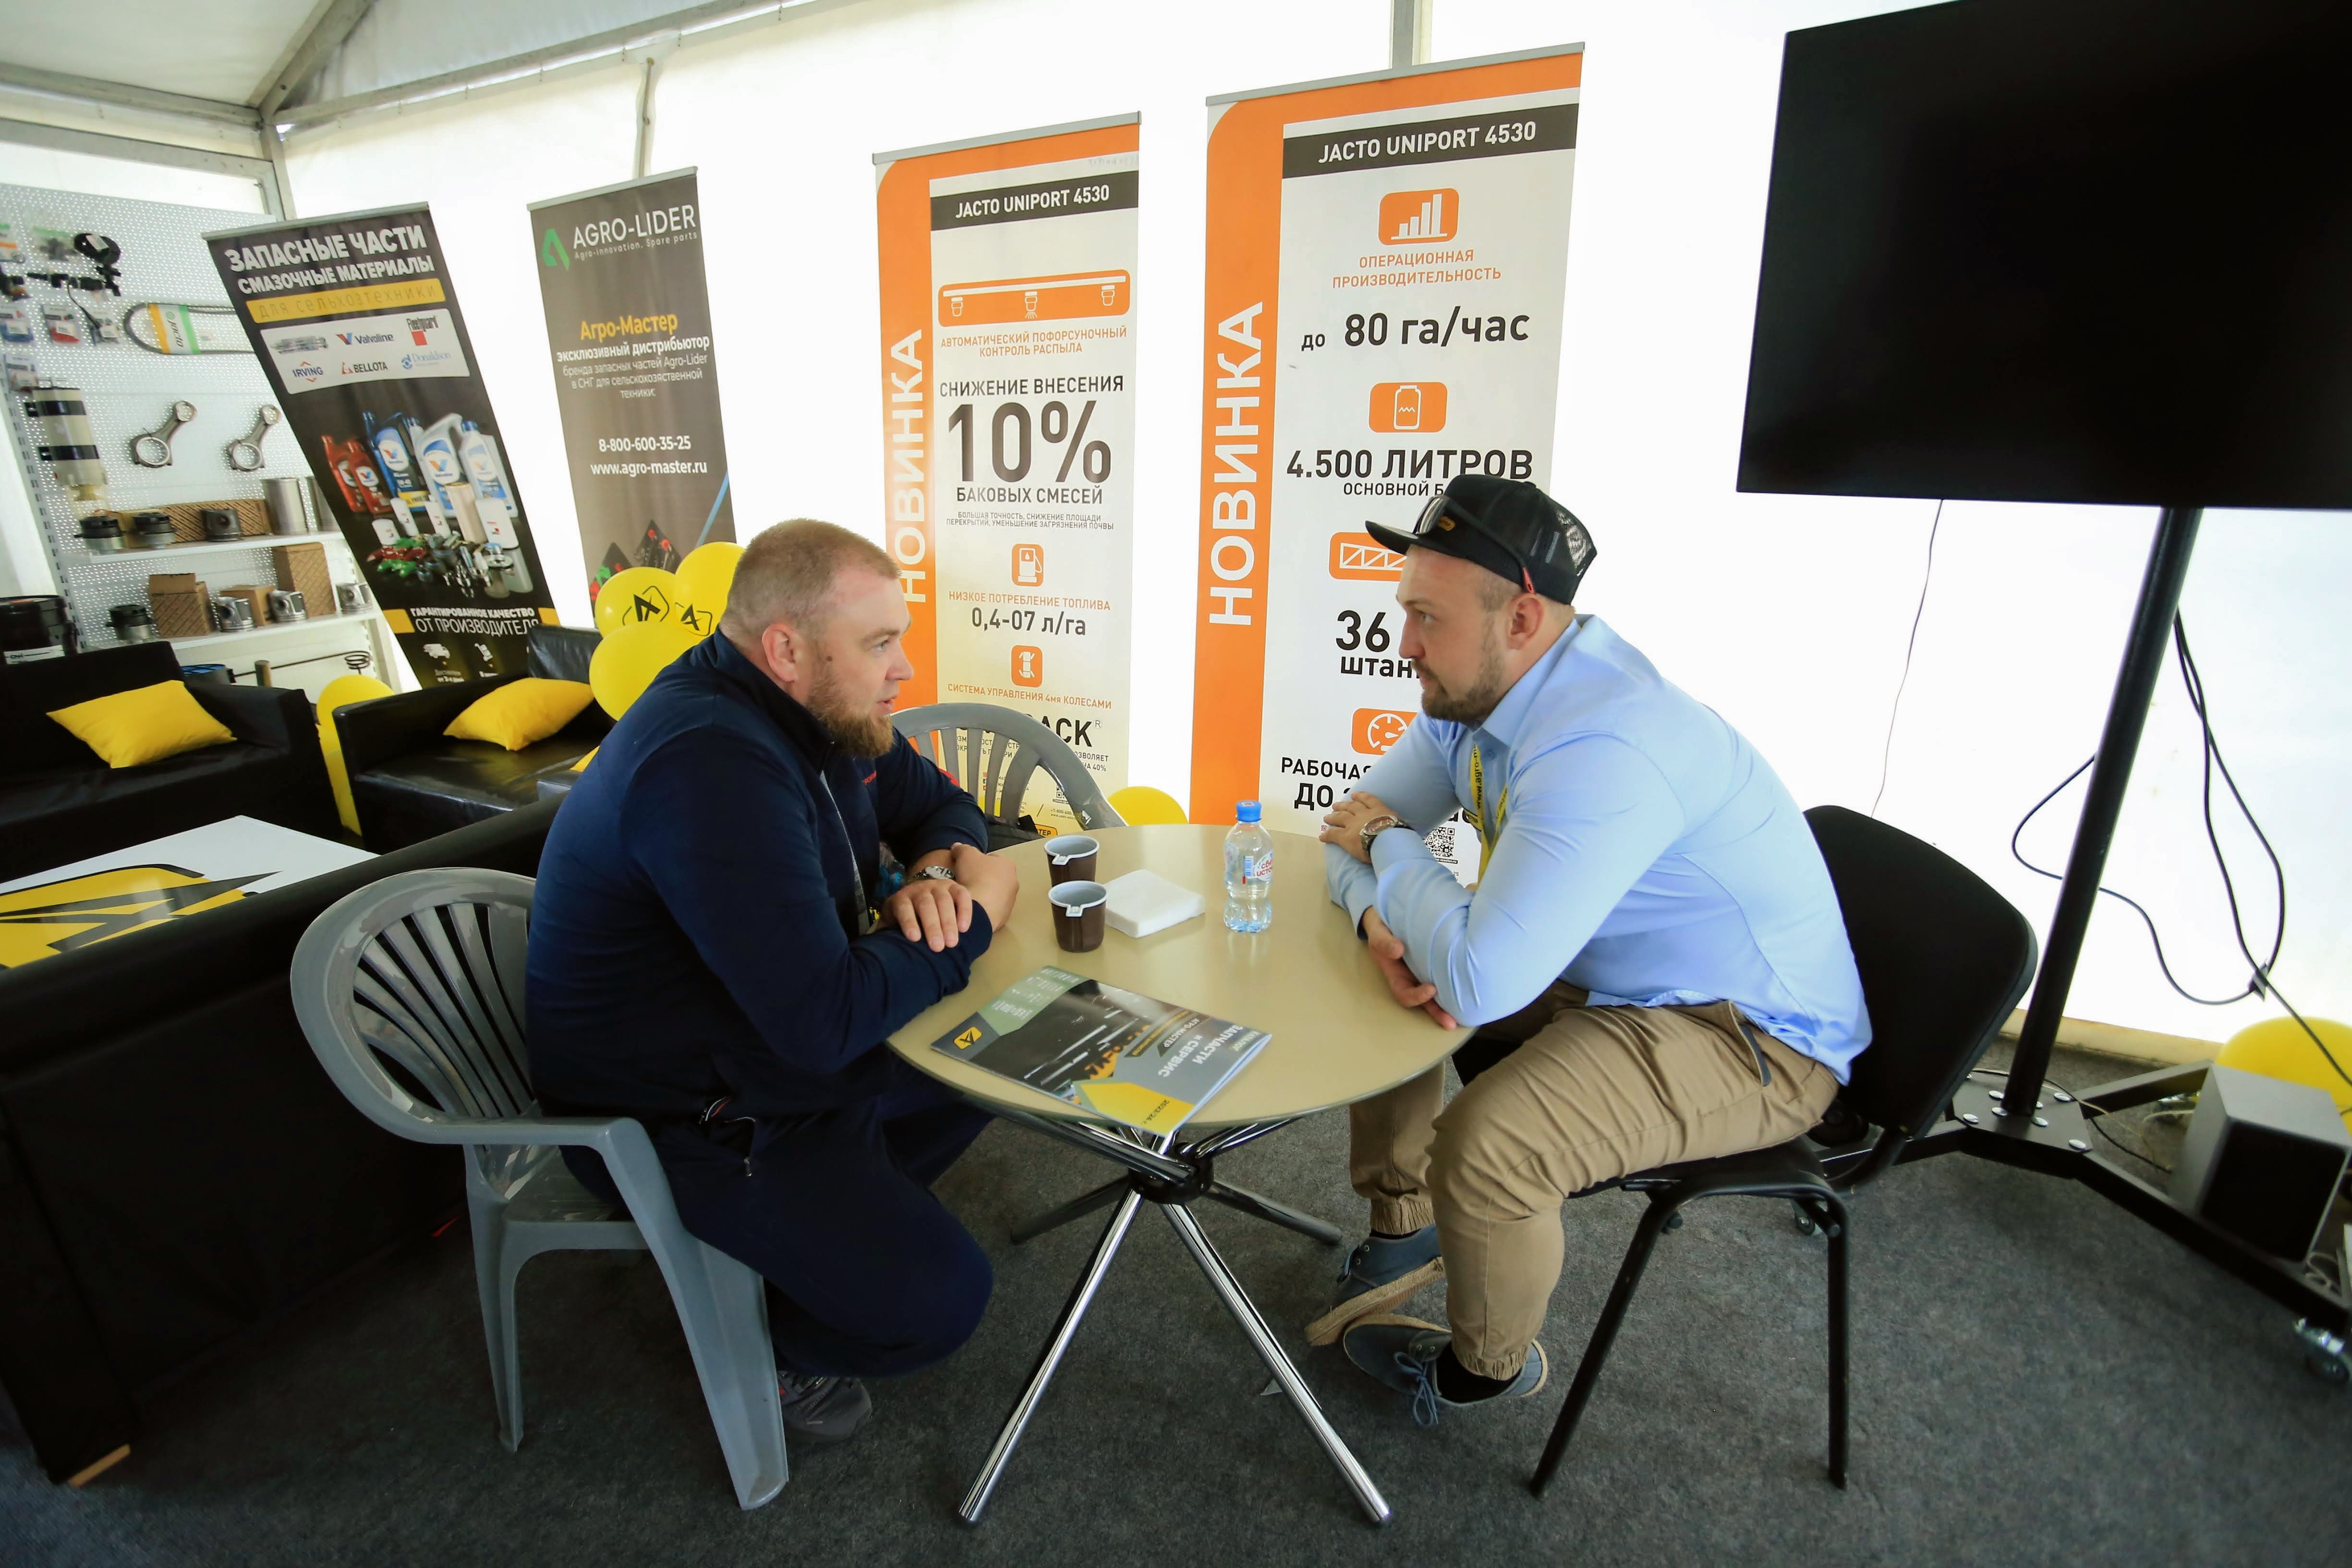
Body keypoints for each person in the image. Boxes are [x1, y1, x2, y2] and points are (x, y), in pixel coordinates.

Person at [1311, 474, 1869, 1426]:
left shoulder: (1605, 742)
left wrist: (1386, 848)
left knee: (1490, 1148)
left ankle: (1485, 1368)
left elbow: (1471, 971)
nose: (1403, 643)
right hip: (1608, 969)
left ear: (1522, 618)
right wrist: (1375, 915)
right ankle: (1402, 1224)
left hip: (1752, 1037)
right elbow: (1343, 833)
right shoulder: (1474, 692)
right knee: (1386, 983)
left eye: (1426, 618)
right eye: (1404, 611)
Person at [526, 518, 1019, 1444]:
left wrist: (935, 879)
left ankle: (818, 1225)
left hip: (763, 1051)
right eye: (880, 643)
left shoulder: (823, 710)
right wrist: (978, 915)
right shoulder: (707, 759)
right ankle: (770, 1345)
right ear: (786, 648)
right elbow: (824, 1023)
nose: (904, 668)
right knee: (938, 1302)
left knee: (998, 1056)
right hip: (680, 1120)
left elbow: (944, 805)